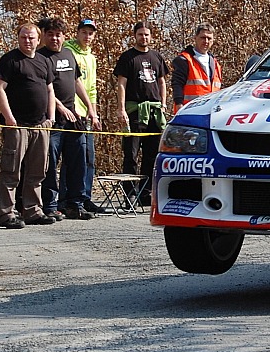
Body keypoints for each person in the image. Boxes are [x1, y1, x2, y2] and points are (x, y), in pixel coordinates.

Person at [0, 23, 57, 229]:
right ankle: (6, 214)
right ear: (18, 38)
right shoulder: (10, 60)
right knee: (11, 171)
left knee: (38, 171)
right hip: (17, 125)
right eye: (23, 37)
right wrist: (9, 118)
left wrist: (51, 118)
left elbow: (49, 90)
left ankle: (32, 211)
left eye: (31, 38)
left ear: (38, 40)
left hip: (41, 125)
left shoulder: (43, 61)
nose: (27, 41)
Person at [37, 17, 98, 221]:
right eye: (50, 34)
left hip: (74, 116)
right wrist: (60, 108)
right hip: (53, 118)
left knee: (78, 159)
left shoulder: (69, 54)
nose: (55, 38)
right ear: (43, 35)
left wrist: (90, 108)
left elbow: (77, 81)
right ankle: (51, 204)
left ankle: (75, 204)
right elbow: (47, 89)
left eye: (58, 34)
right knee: (51, 162)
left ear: (64, 36)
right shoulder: (40, 57)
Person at [114, 20, 169, 207]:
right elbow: (121, 84)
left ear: (151, 36)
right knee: (131, 154)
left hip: (154, 112)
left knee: (151, 155)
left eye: (146, 34)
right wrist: (121, 109)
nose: (143, 37)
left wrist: (163, 104)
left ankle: (146, 193)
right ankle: (129, 194)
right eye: (140, 34)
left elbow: (161, 82)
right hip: (135, 111)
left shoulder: (157, 57)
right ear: (134, 36)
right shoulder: (128, 57)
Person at [62, 18, 106, 215]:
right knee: (73, 158)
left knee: (89, 157)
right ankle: (66, 199)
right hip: (72, 112)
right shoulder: (68, 51)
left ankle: (85, 197)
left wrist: (93, 112)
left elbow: (92, 88)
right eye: (84, 32)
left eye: (91, 33)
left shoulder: (91, 57)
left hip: (87, 113)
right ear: (77, 32)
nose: (87, 37)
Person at [171, 22, 222, 114]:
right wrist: (179, 106)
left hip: (210, 112)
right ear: (195, 38)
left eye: (209, 38)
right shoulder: (184, 60)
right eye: (203, 37)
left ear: (213, 40)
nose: (206, 41)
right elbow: (177, 85)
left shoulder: (215, 63)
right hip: (189, 112)